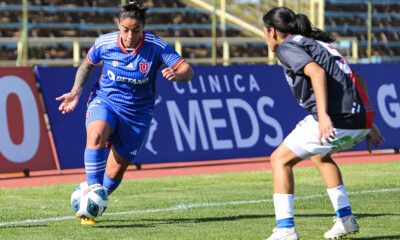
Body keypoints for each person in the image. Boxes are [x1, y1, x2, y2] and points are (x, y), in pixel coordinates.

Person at [56, 1, 194, 224]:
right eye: (125, 29)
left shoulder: (156, 46)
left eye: (136, 30)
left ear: (144, 26)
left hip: (137, 113)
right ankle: (91, 193)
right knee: (95, 135)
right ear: (118, 24)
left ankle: (96, 203)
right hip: (106, 101)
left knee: (117, 168)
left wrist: (178, 75)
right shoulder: (104, 43)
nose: (130, 35)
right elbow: (87, 65)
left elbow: (187, 70)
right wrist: (75, 92)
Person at [261, 7, 384, 240]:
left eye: (264, 31)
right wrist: (369, 121)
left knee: (279, 159)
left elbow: (316, 72)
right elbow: (358, 78)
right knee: (319, 154)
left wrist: (324, 116)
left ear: (272, 31)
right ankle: (345, 219)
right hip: (358, 118)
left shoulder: (288, 46)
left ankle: (286, 230)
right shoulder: (315, 43)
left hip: (337, 118)